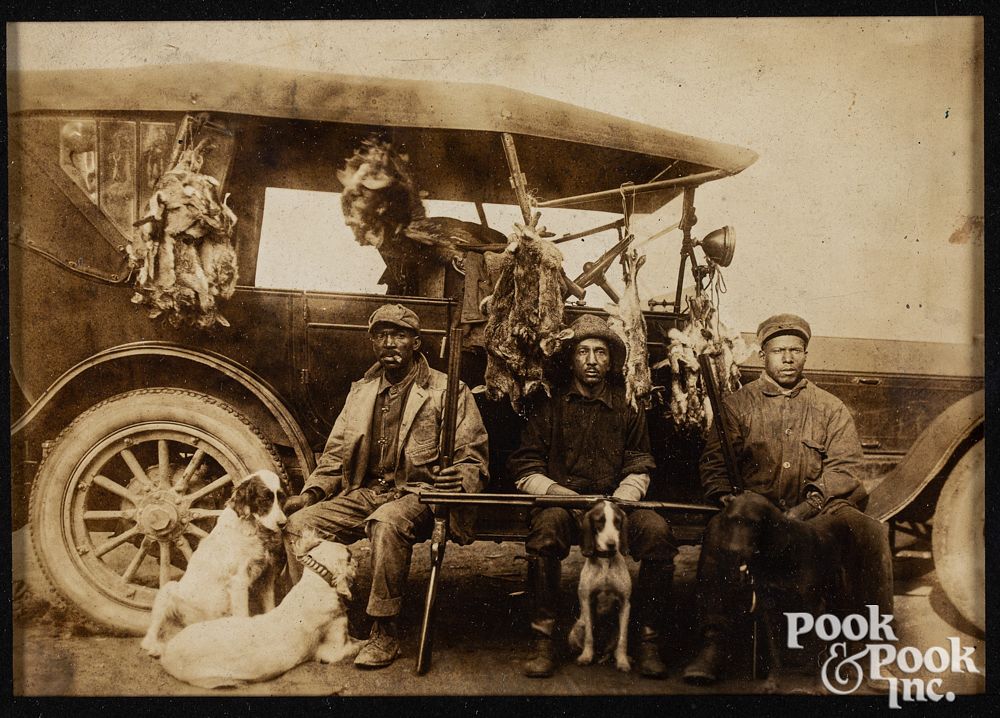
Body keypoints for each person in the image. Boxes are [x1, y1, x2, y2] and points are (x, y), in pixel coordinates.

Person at [682, 313, 893, 684]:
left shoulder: (830, 407)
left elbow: (845, 467)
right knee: (721, 527)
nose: (788, 358)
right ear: (763, 354)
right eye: (779, 350)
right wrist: (733, 504)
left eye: (796, 350)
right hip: (758, 514)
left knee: (869, 531)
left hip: (818, 514)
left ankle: (876, 652)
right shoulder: (737, 405)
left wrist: (810, 505)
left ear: (806, 355)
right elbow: (713, 464)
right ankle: (713, 644)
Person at [283, 303, 489, 669]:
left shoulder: (447, 390)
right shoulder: (361, 392)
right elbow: (335, 455)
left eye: (398, 335)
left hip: (419, 494)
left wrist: (458, 477)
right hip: (366, 492)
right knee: (300, 526)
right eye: (380, 335)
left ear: (415, 342)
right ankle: (312, 620)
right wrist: (311, 494)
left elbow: (473, 457)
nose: (388, 343)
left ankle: (384, 630)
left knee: (387, 523)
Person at [507, 314, 678, 679]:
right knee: (546, 531)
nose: (591, 361)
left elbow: (640, 462)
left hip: (618, 505)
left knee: (658, 532)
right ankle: (544, 639)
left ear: (611, 361)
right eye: (583, 351)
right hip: (564, 505)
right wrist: (561, 494)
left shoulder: (627, 404)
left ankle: (649, 639)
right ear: (571, 359)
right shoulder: (547, 404)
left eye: (600, 352)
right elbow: (525, 466)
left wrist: (618, 501)